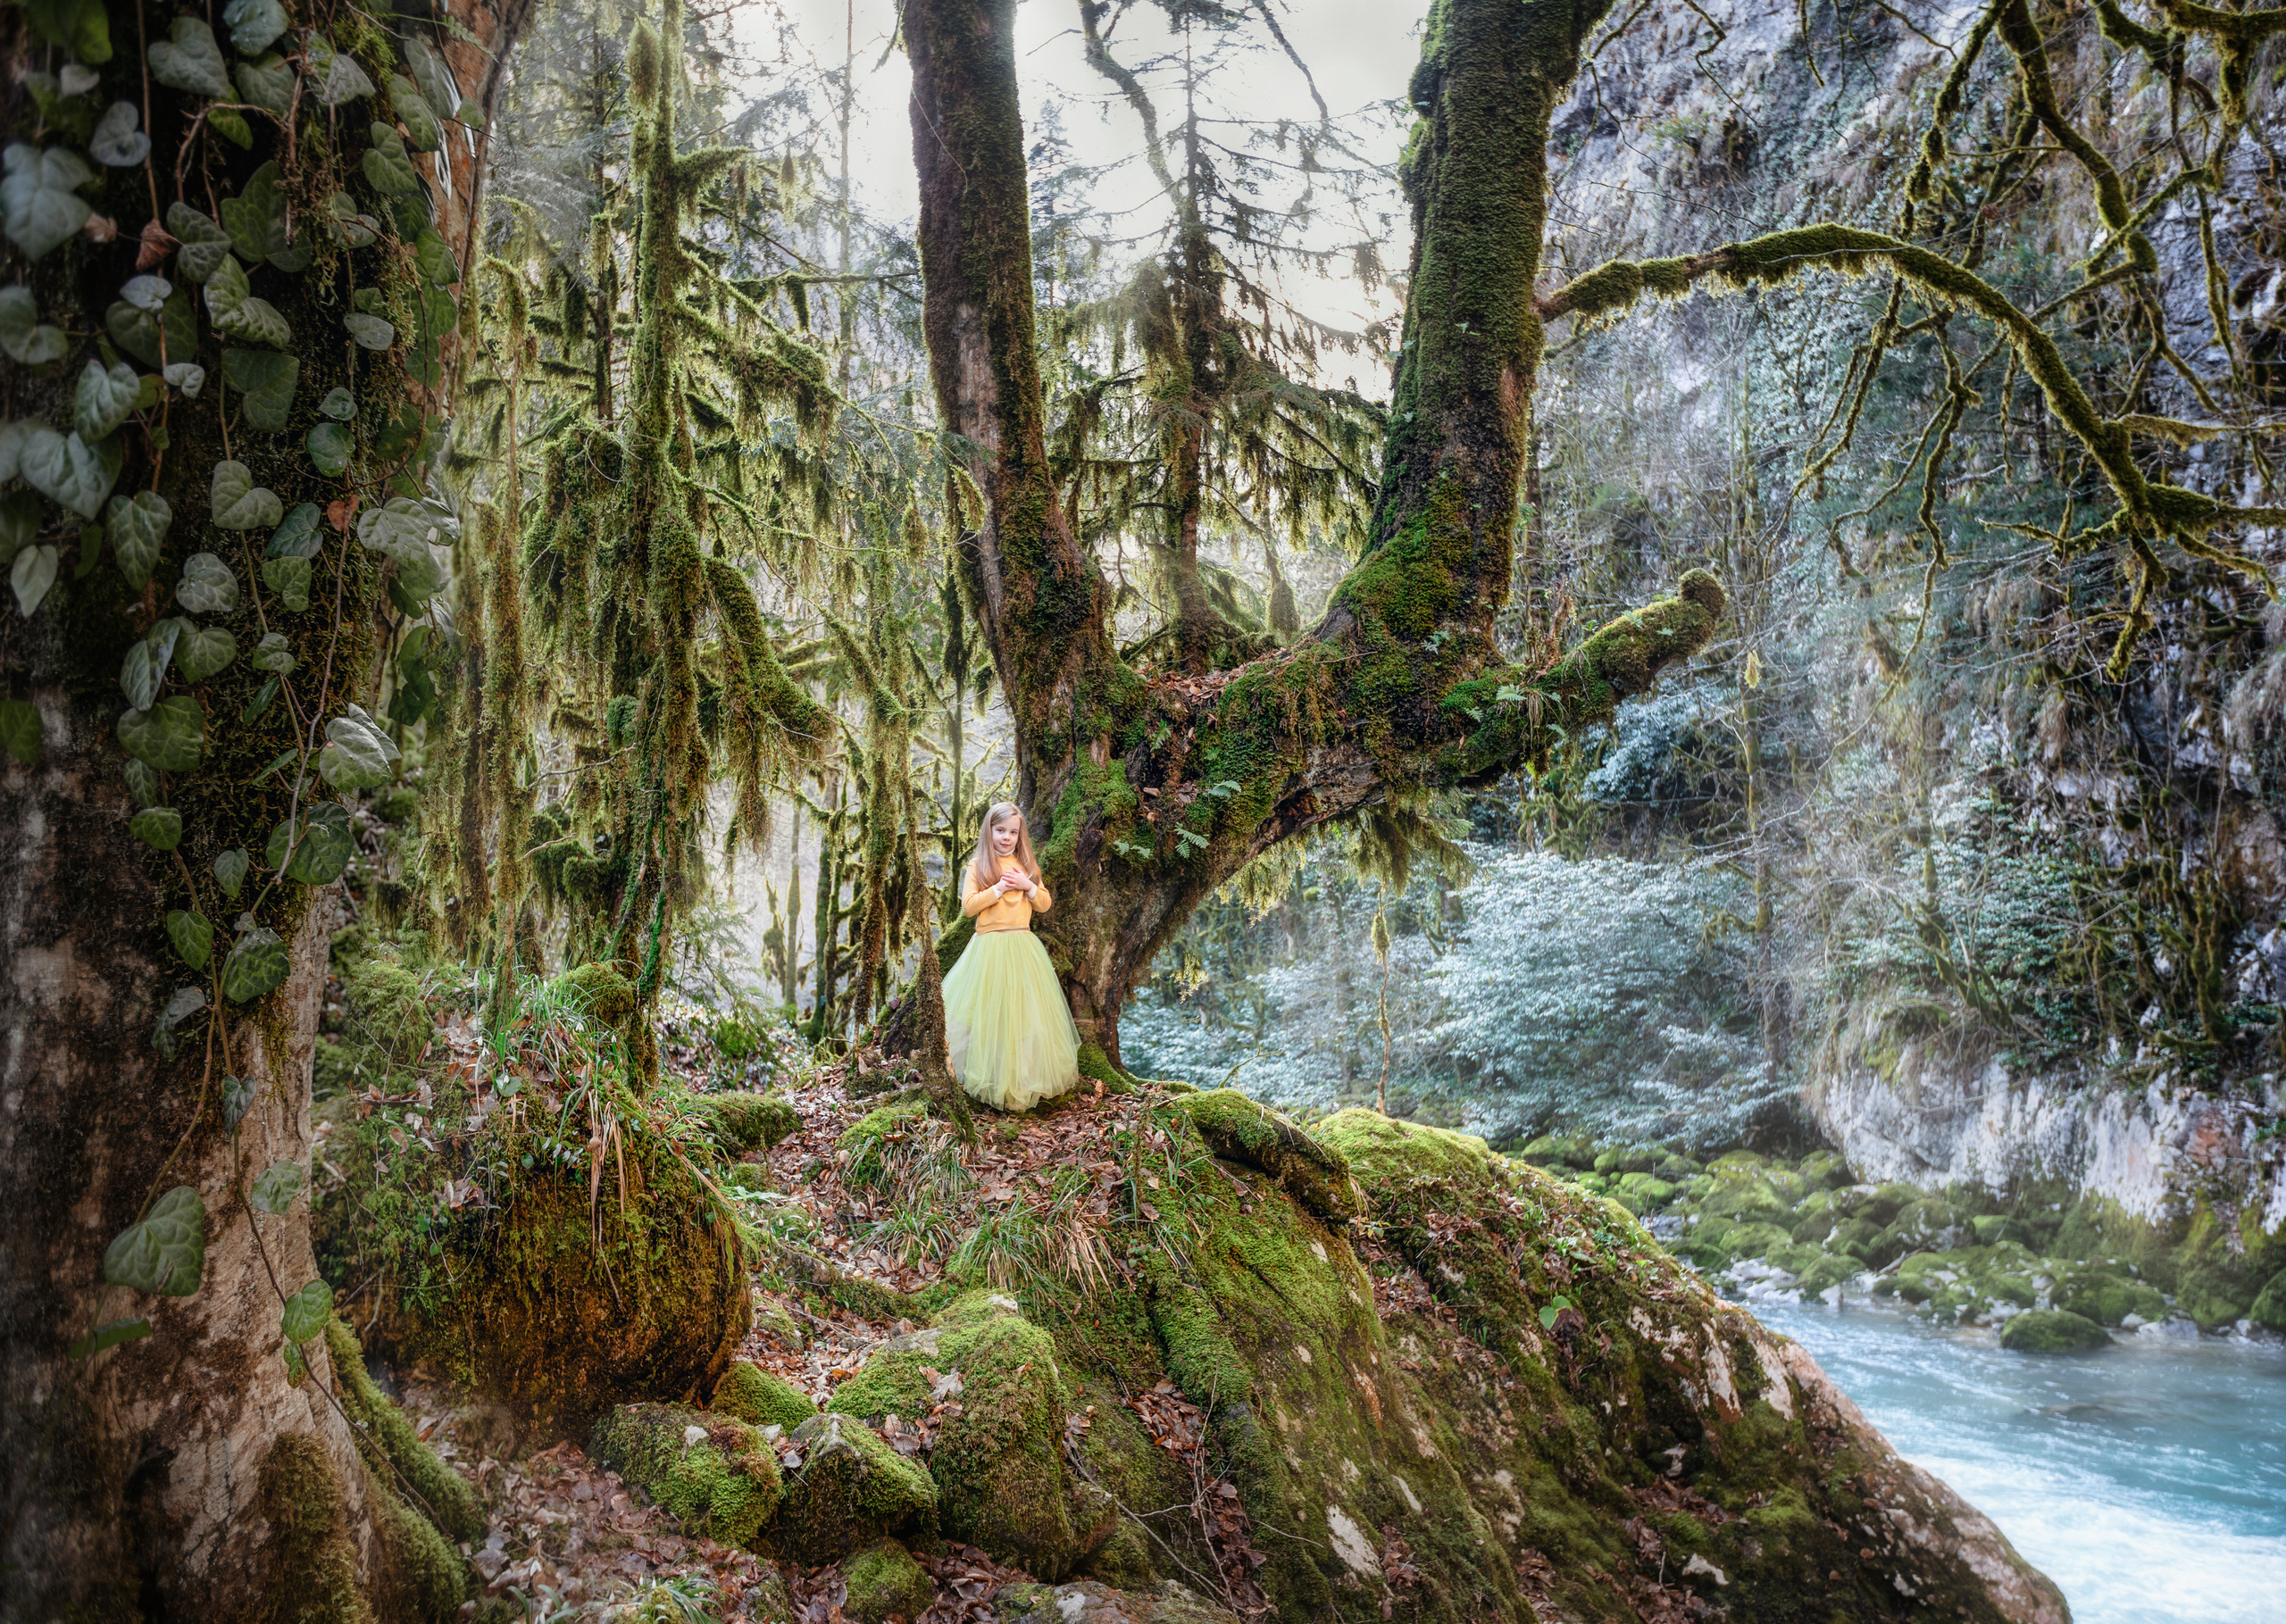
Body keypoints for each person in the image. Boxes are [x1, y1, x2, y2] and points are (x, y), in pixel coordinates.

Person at [940, 802, 1081, 1111]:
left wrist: (1027, 885)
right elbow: (968, 907)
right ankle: (988, 1077)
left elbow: (1044, 903)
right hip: (989, 949)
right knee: (989, 1015)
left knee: (1025, 1016)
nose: (1006, 837)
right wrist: (1000, 889)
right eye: (1000, 830)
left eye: (1013, 832)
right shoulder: (979, 866)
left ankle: (1022, 1080)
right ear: (989, 831)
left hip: (1023, 947)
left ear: (1020, 835)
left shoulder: (1027, 865)